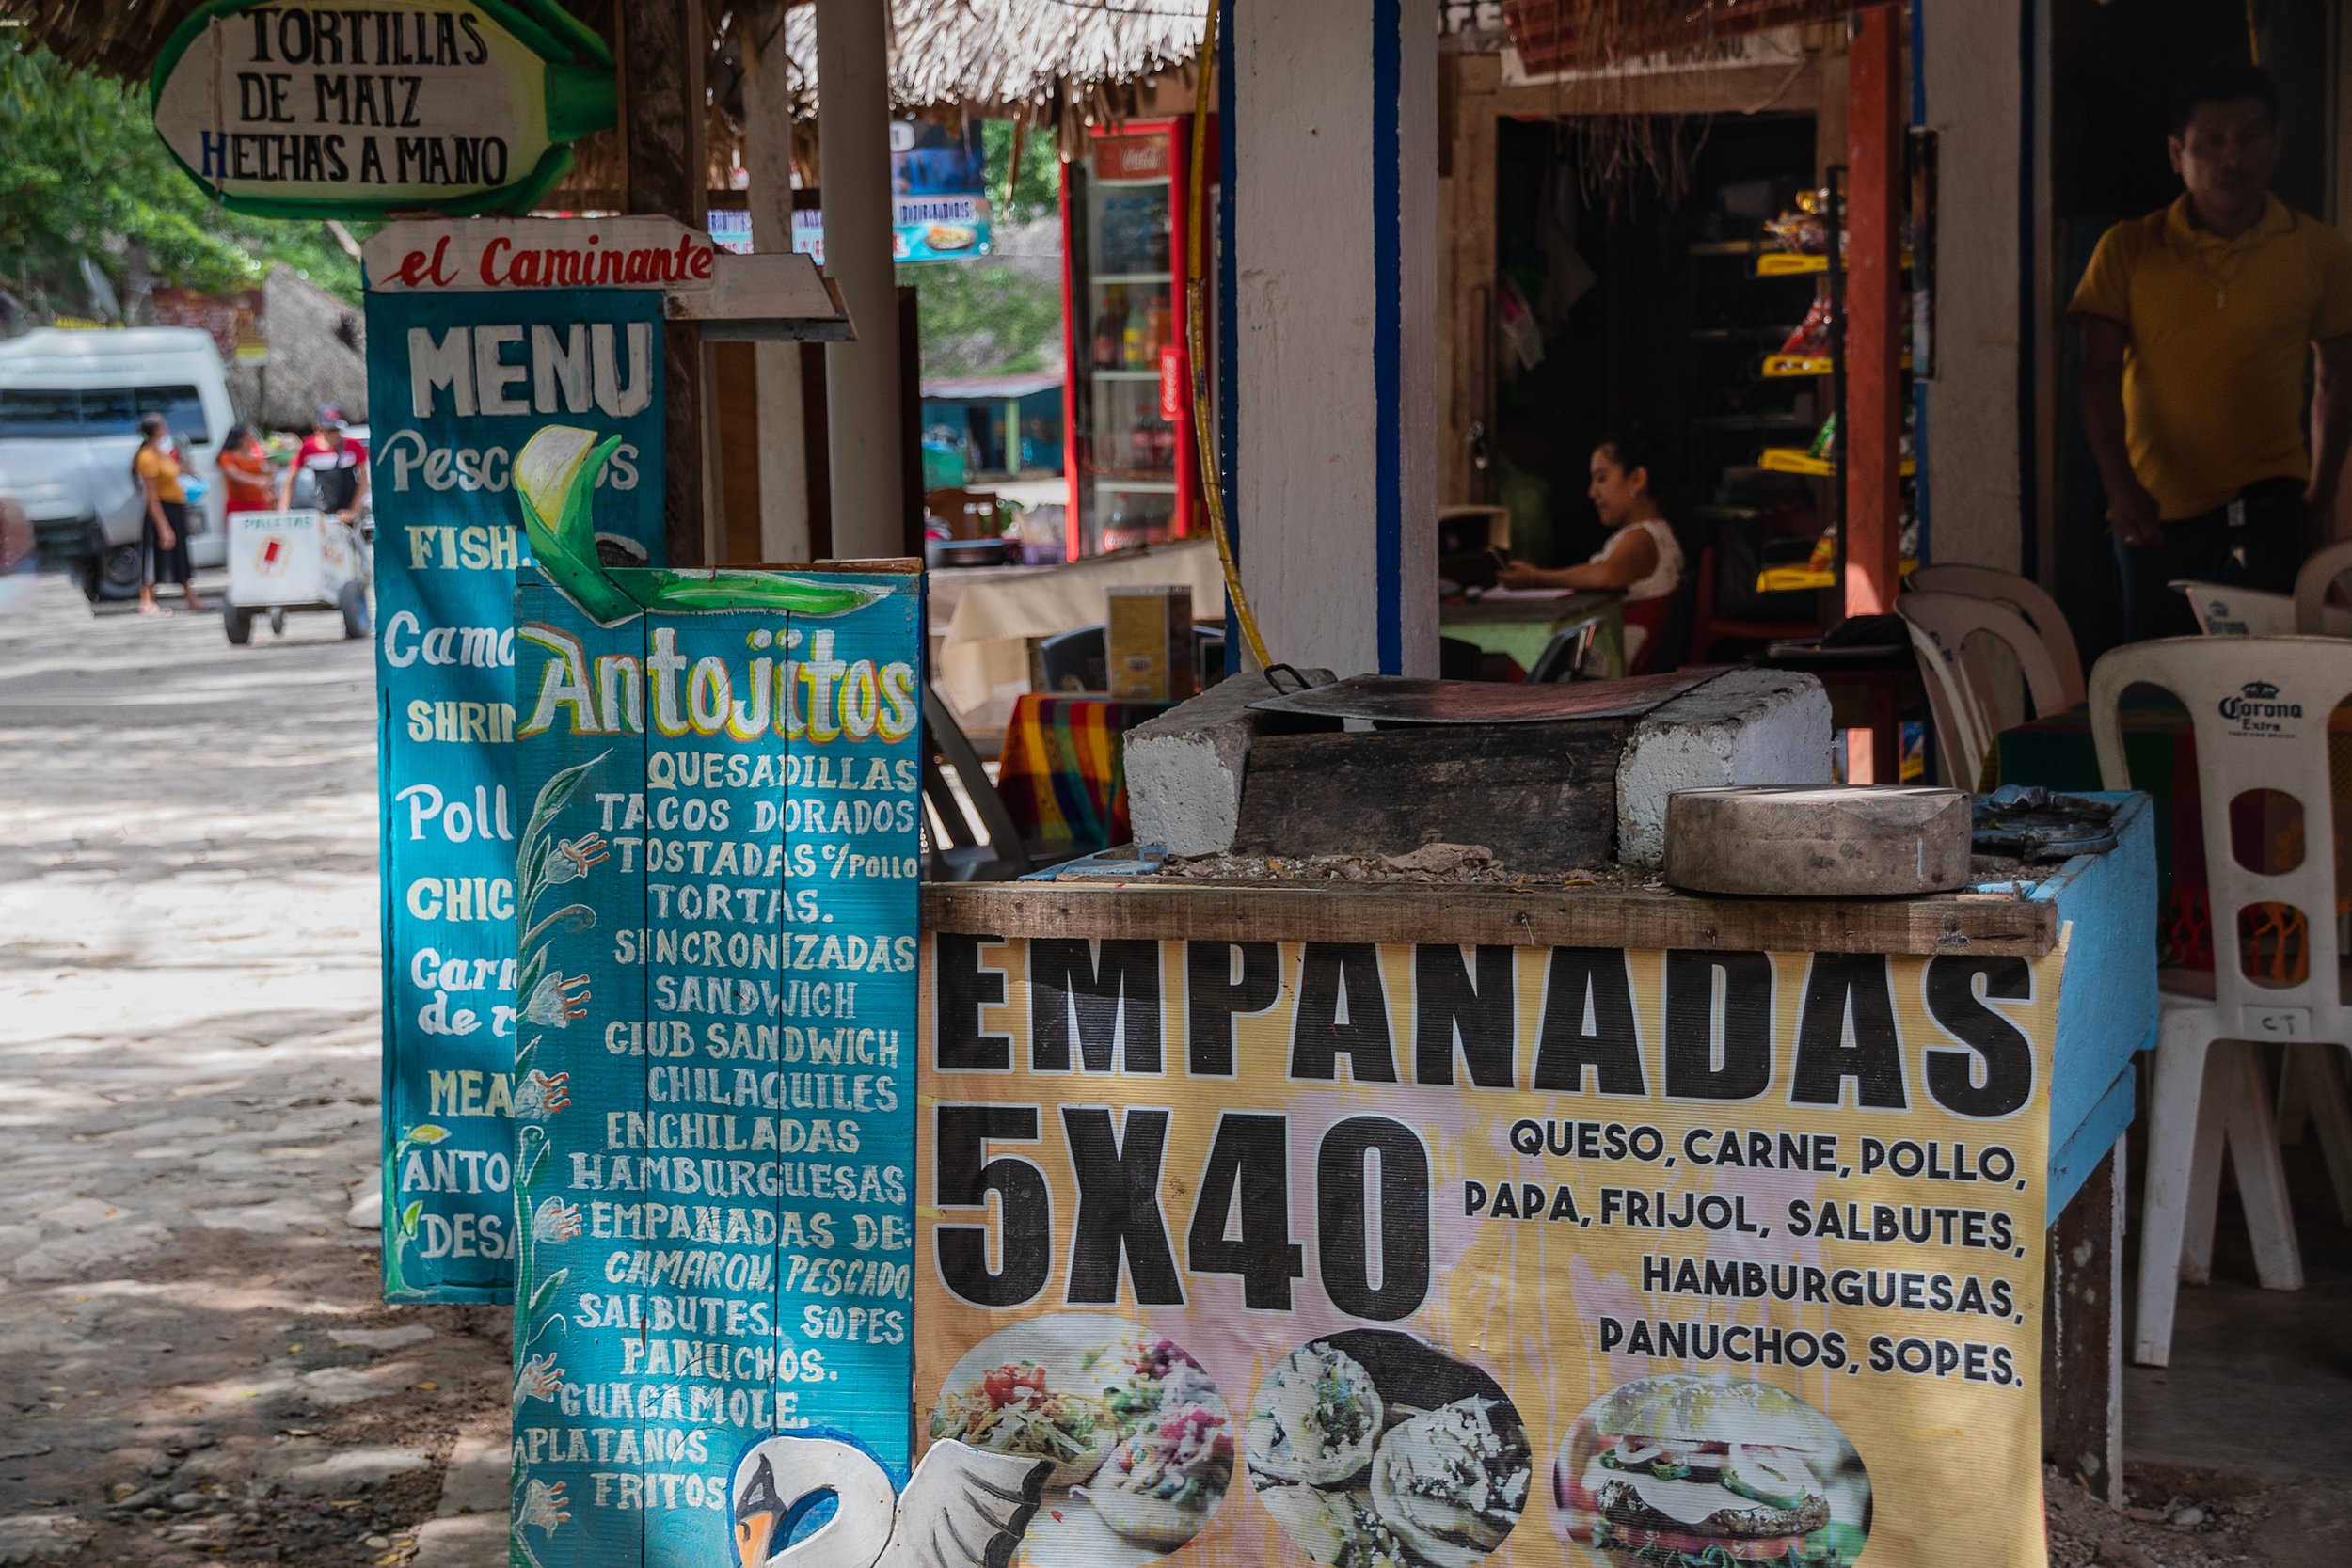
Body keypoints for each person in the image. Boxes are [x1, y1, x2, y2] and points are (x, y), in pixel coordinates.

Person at [2071, 59, 2352, 641]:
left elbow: (2337, 378)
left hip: (2273, 508)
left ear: (2277, 144)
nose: (2233, 158)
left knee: (2267, 693)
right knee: (2160, 685)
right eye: (2212, 142)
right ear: (2177, 154)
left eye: (2251, 137)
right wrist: (2121, 491)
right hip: (2155, 514)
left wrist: (2321, 492)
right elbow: (2096, 378)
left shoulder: (2322, 251)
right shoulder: (2127, 248)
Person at [1497, 430, 1685, 670]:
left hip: (1610, 667)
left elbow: (1606, 575)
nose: (1592, 492)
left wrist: (1535, 578)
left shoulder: (1641, 537)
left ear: (1637, 480)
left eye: (1602, 478)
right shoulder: (1656, 533)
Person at [133, 413, 207, 616]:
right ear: (156, 430)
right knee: (152, 556)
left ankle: (191, 598)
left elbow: (175, 470)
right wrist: (163, 526)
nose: (166, 428)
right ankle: (146, 600)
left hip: (175, 509)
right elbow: (152, 497)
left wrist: (189, 471)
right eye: (163, 425)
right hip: (160, 511)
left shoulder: (161, 453)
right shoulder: (146, 457)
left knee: (180, 556)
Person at [281, 404, 369, 525]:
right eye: (329, 430)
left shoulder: (353, 446)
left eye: (336, 429)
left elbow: (364, 481)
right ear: (318, 428)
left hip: (347, 512)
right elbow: (290, 478)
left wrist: (354, 510)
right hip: (321, 511)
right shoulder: (308, 448)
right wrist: (284, 511)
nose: (334, 434)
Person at [216, 422, 274, 515]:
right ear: (240, 439)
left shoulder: (256, 457)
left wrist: (271, 473)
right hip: (238, 505)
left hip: (259, 503)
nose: (252, 439)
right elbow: (234, 475)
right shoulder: (227, 456)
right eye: (249, 437)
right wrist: (257, 481)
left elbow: (265, 478)